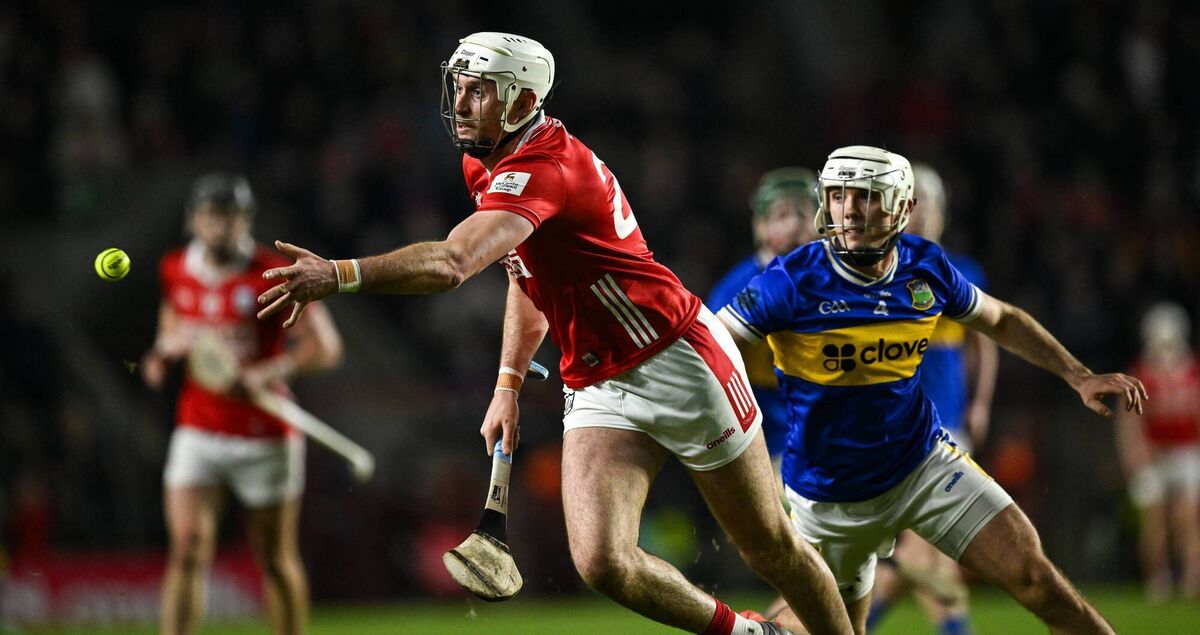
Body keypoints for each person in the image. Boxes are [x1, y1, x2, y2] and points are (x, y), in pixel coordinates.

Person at [256, 32, 852, 635]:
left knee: (768, 547)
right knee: (603, 563)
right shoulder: (484, 161)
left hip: (677, 358)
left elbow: (452, 263)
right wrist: (508, 384)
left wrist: (340, 275)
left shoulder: (547, 167)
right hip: (597, 377)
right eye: (458, 88)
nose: (460, 104)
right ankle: (753, 634)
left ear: (519, 103)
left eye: (479, 91)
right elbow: (525, 274)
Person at [717, 145, 1146, 635]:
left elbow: (1001, 320)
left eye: (867, 196)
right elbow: (710, 348)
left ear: (902, 206)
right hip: (829, 501)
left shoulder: (926, 266)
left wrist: (1078, 375)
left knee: (1038, 581)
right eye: (838, 196)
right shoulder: (789, 282)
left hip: (924, 466)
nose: (850, 210)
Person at [141, 174, 343, 635]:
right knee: (188, 549)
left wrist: (266, 373)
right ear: (194, 220)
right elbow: (173, 316)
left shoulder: (274, 273)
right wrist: (161, 351)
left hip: (264, 435)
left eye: (231, 217)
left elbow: (326, 349)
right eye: (212, 216)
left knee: (274, 558)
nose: (220, 227)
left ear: (246, 221)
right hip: (198, 427)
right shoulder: (174, 267)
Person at [865, 164, 998, 634]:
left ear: (942, 212)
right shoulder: (878, 270)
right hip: (893, 430)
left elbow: (986, 342)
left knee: (924, 550)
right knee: (923, 553)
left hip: (949, 427)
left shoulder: (963, 272)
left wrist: (980, 403)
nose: (920, 215)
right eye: (910, 204)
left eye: (929, 204)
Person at [706, 167, 820, 461]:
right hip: (768, 440)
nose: (795, 225)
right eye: (783, 215)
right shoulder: (739, 286)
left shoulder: (834, 278)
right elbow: (710, 358)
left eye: (805, 214)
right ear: (761, 225)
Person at [1114, 301, 1200, 603]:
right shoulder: (1140, 373)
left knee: (1187, 516)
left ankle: (1191, 575)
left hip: (1185, 450)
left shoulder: (1192, 372)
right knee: (1154, 519)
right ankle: (1158, 578)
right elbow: (1129, 419)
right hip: (1153, 453)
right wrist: (1133, 453)